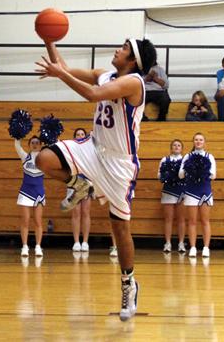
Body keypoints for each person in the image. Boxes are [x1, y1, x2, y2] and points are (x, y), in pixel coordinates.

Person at [34, 37, 157, 321]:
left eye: (124, 48)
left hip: (119, 162)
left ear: (133, 60)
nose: (117, 49)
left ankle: (129, 284)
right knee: (43, 160)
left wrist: (59, 73)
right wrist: (48, 39)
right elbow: (62, 67)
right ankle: (80, 183)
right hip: (93, 147)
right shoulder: (106, 74)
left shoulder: (134, 83)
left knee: (120, 229)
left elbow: (91, 94)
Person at [179, 133, 216, 258]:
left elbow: (213, 175)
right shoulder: (187, 156)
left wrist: (201, 171)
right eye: (196, 139)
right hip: (191, 191)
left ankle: (206, 247)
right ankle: (193, 247)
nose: (198, 141)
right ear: (193, 141)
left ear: (204, 142)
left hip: (205, 191)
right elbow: (180, 175)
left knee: (205, 220)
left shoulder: (209, 156)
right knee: (192, 221)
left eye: (201, 140)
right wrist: (190, 169)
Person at [14, 135, 45, 257]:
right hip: (26, 191)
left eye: (37, 142)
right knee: (25, 220)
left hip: (39, 192)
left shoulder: (44, 158)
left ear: (41, 145)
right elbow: (17, 145)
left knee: (38, 220)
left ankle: (38, 246)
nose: (35, 144)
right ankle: (25, 246)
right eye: (33, 142)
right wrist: (18, 134)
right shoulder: (25, 157)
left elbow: (55, 148)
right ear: (29, 145)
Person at [158, 139, 187, 253]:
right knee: (168, 219)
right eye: (174, 145)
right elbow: (159, 176)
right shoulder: (165, 159)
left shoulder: (186, 160)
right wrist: (168, 175)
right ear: (171, 147)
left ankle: (181, 243)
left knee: (181, 219)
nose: (176, 147)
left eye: (179, 145)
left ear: (182, 148)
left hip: (182, 191)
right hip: (168, 191)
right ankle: (168, 243)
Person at [70, 128, 92, 252]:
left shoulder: (89, 151)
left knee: (86, 212)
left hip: (87, 184)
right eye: (77, 134)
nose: (80, 136)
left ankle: (85, 242)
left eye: (82, 134)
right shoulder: (71, 151)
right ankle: (76, 242)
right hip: (73, 184)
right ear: (74, 137)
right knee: (76, 213)